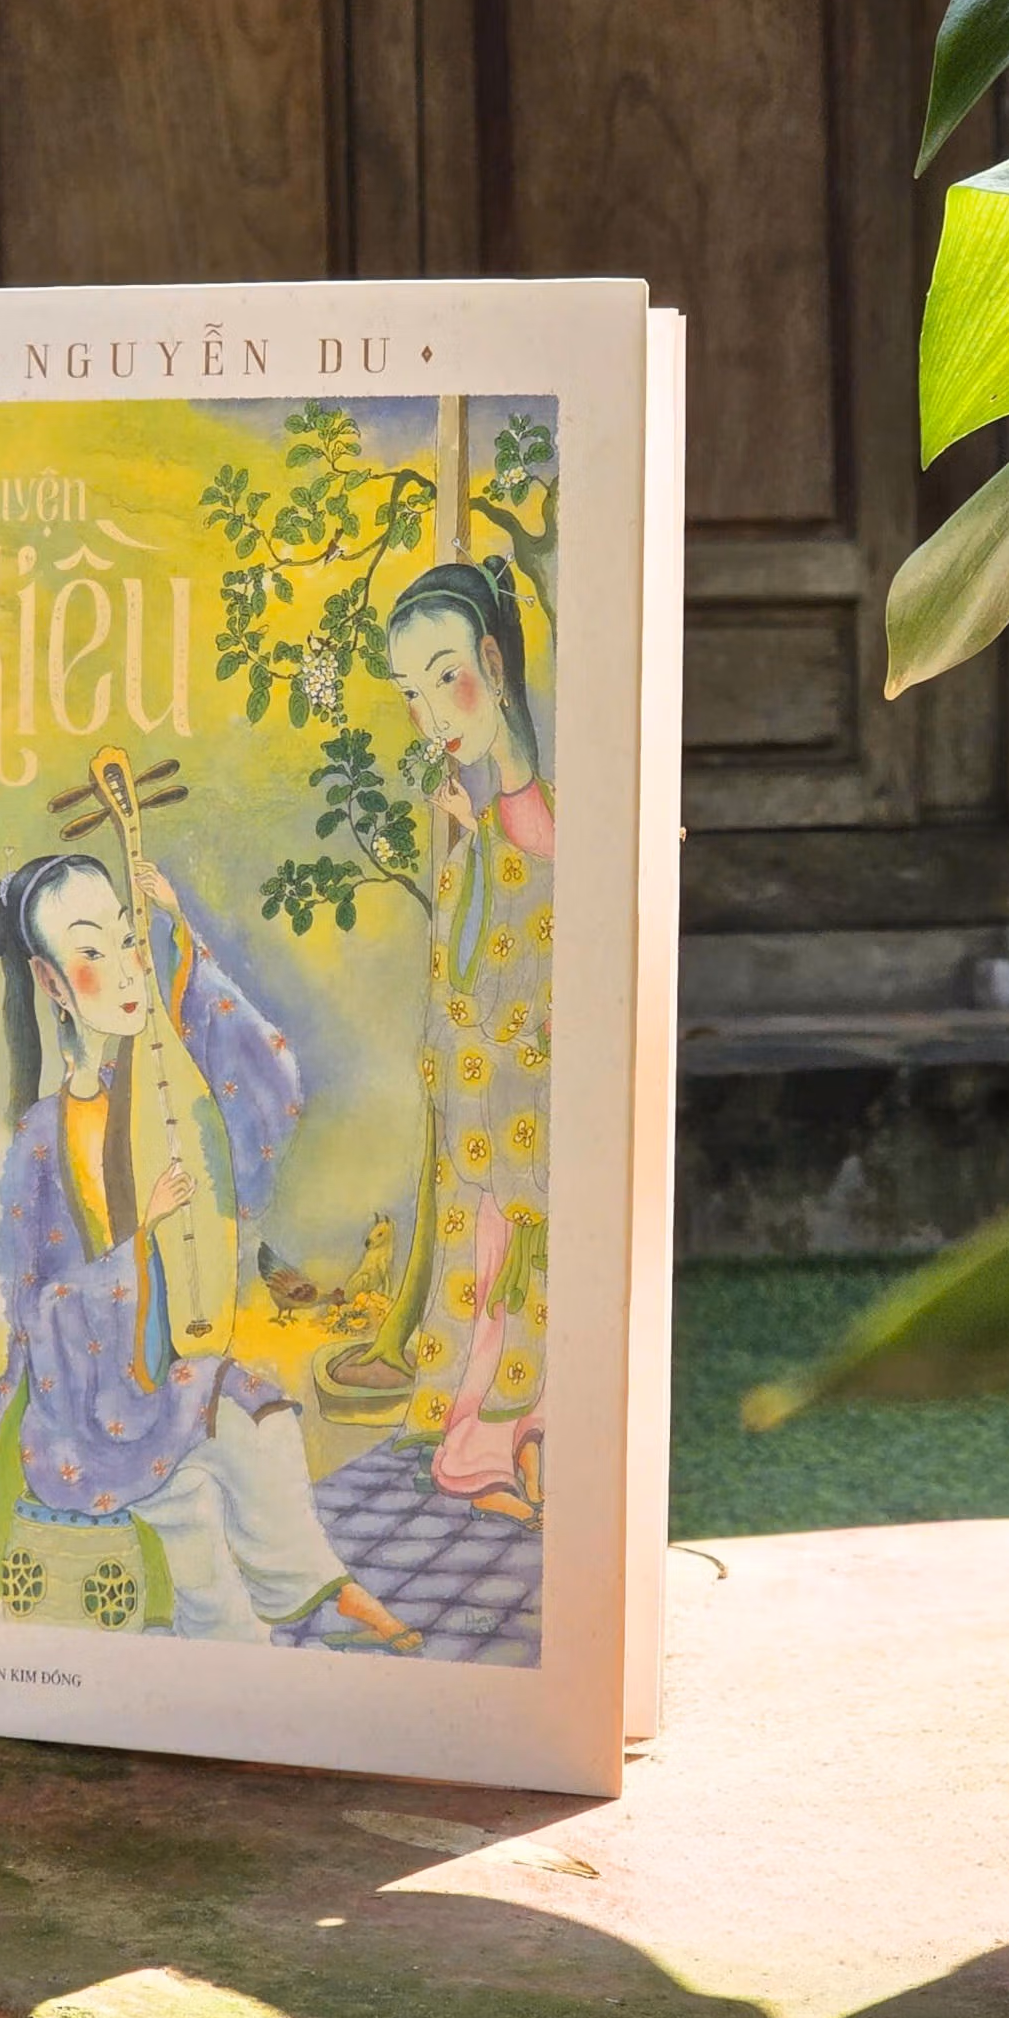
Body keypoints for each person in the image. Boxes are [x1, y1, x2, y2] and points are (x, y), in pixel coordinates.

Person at [0, 846, 418, 1648]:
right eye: (93, 952)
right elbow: (38, 1309)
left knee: (254, 1429)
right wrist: (139, 1240)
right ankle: (271, 1623)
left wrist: (178, 932)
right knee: (213, 1474)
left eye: (128, 937)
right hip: (85, 1405)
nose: (127, 968)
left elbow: (268, 1086)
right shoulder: (39, 1143)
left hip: (165, 1371)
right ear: (51, 983)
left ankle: (313, 1596)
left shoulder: (163, 1096)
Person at [316, 557, 550, 1527]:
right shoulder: (493, 819)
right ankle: (481, 1451)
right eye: (410, 695)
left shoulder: (529, 818)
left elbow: (527, 951)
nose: (429, 715)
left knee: (520, 1273)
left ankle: (509, 1440)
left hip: (526, 1098)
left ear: (492, 664)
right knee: (489, 1270)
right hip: (482, 1103)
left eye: (442, 679)